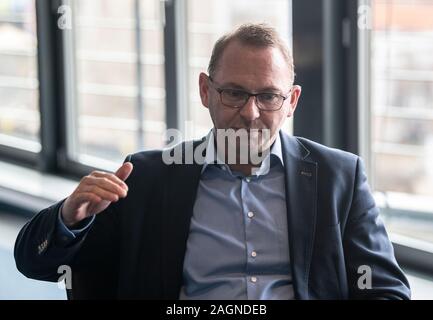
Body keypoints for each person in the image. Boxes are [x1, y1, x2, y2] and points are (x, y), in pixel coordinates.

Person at [14, 23, 410, 300]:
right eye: (234, 93)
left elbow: (386, 290)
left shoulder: (339, 176)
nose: (251, 113)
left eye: (269, 96)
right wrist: (68, 218)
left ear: (291, 102)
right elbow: (35, 263)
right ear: (206, 90)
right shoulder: (146, 178)